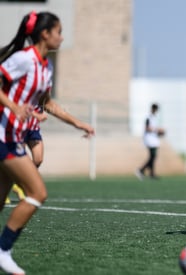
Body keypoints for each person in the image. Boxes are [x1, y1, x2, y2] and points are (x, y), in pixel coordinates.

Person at [0, 11, 95, 274]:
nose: (62, 37)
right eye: (59, 32)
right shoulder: (23, 59)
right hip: (3, 136)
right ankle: (3, 250)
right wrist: (13, 106)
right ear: (45, 34)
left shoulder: (46, 67)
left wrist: (79, 123)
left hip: (13, 136)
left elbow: (48, 104)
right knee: (37, 192)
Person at [135, 103, 165, 180]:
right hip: (149, 140)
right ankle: (140, 170)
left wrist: (159, 132)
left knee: (153, 157)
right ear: (152, 109)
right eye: (154, 109)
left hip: (154, 140)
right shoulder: (148, 118)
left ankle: (151, 173)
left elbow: (154, 129)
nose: (155, 111)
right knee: (153, 156)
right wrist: (157, 130)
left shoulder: (155, 118)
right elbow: (147, 128)